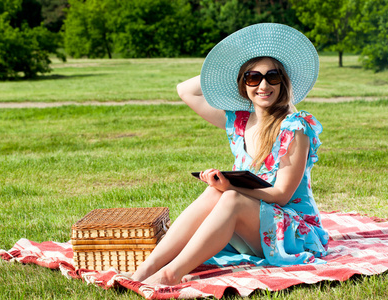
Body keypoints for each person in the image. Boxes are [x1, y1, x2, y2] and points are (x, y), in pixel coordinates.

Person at [132, 23, 329, 286]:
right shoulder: (239, 122)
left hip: (294, 232)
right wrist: (230, 63)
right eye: (252, 78)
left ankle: (171, 274)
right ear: (243, 84)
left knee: (231, 196)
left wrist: (231, 186)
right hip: (254, 227)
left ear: (283, 82)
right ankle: (145, 270)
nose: (263, 85)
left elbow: (282, 195)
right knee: (216, 192)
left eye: (272, 76)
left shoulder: (295, 126)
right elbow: (185, 90)